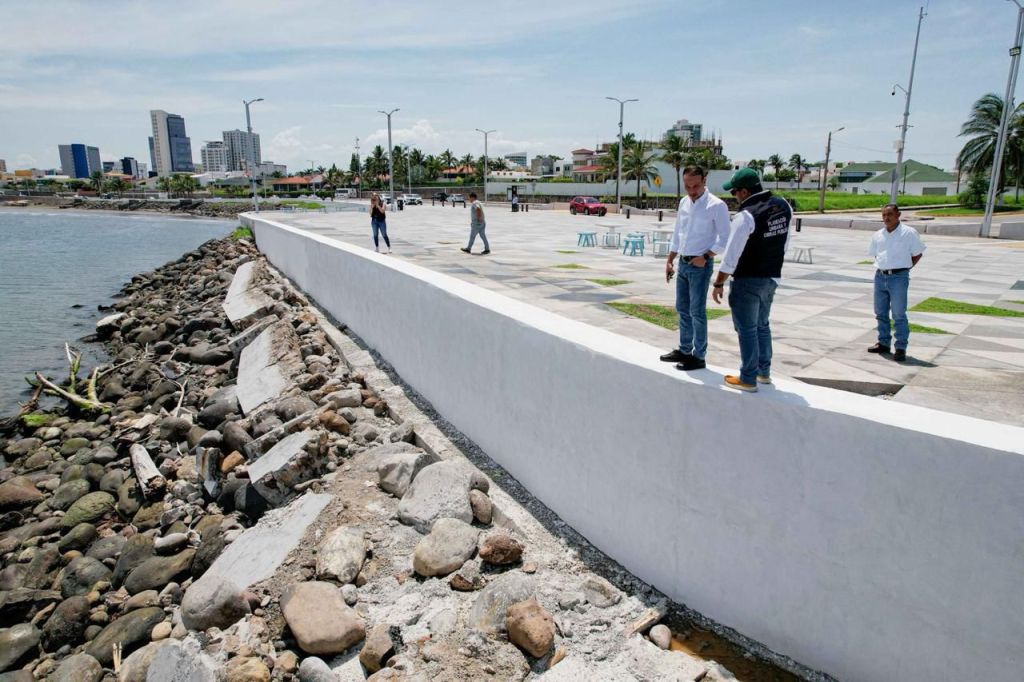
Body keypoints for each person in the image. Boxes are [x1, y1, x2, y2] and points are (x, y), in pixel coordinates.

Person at [710, 168, 792, 392]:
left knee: (746, 329)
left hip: (747, 279)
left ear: (744, 191)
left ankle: (748, 378)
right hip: (771, 276)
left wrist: (718, 283)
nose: (734, 196)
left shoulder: (746, 216)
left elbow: (731, 257)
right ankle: (763, 372)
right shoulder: (783, 206)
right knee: (762, 325)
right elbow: (784, 243)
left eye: (734, 192)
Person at [659, 165, 731, 371]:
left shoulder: (716, 205)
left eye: (696, 186)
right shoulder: (684, 202)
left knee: (697, 311)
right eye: (688, 186)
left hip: (700, 265)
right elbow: (678, 233)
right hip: (683, 262)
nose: (692, 191)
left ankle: (699, 356)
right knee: (682, 308)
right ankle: (684, 349)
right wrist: (670, 259)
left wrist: (706, 256)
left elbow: (725, 238)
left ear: (704, 181)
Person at [867, 204, 926, 361]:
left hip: (899, 277)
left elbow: (917, 253)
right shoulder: (878, 235)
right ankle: (883, 342)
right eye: (884, 215)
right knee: (880, 312)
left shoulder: (908, 233)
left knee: (898, 313)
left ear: (898, 215)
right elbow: (877, 255)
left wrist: (904, 268)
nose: (886, 218)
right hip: (880, 276)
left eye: (890, 214)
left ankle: (900, 347)